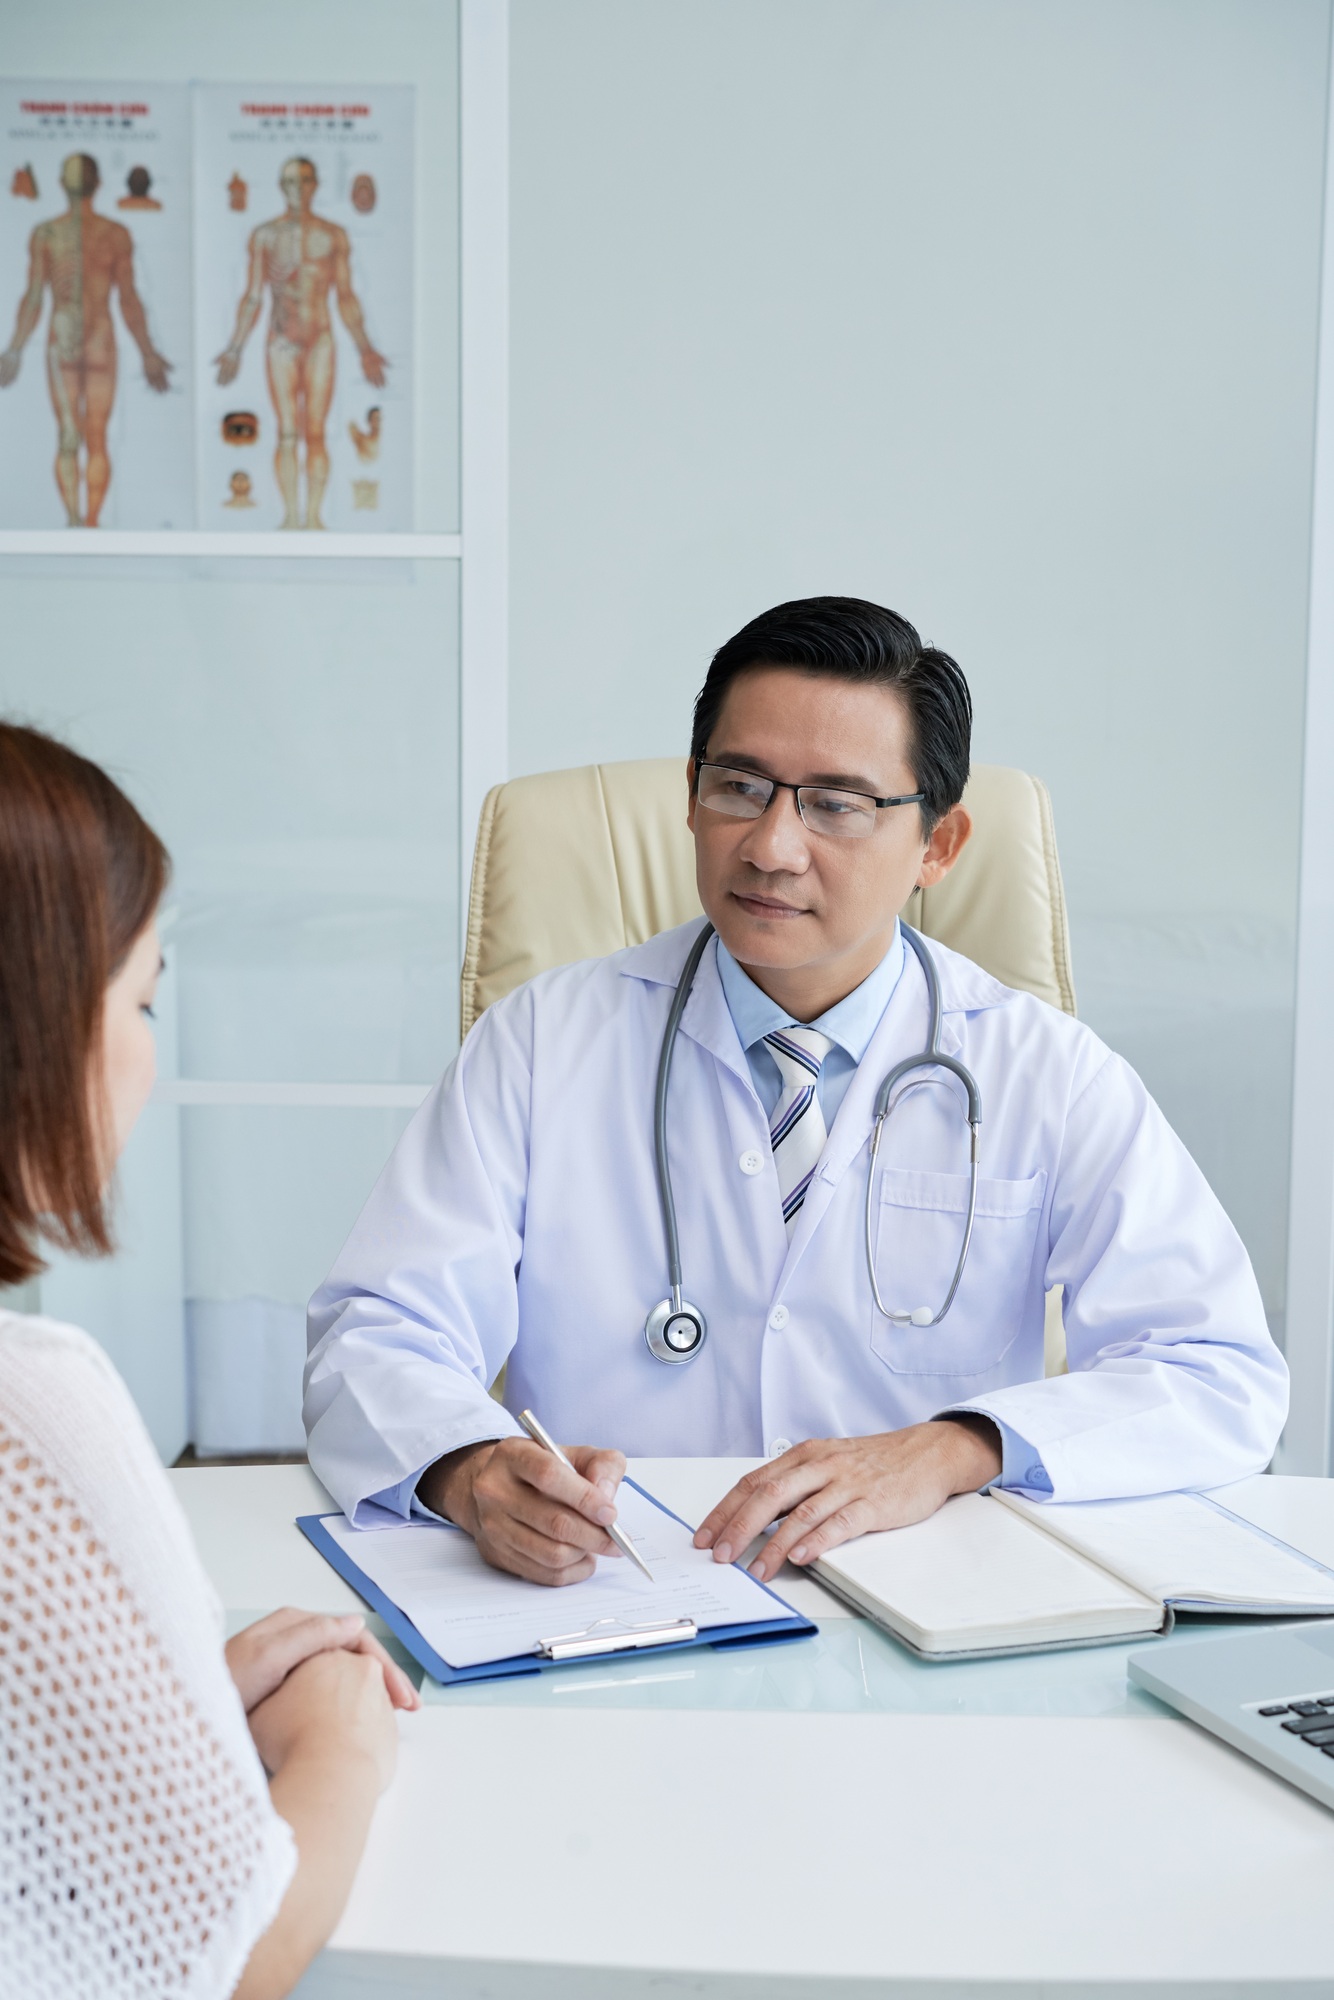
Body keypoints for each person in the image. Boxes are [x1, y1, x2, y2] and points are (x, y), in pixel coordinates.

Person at [305, 597, 1288, 1589]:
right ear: (689, 795)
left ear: (937, 847)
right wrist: (470, 1469)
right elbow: (378, 1329)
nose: (771, 845)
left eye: (836, 803)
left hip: (929, 1599)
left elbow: (1215, 1371)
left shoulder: (1046, 1073)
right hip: (615, 1591)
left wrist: (953, 1446)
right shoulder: (540, 1042)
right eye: (740, 785)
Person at [0, 723, 420, 1995]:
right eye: (139, 998)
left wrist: (169, 1682)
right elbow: (218, 1957)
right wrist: (339, 1745)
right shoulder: (30, 1409)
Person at [214, 156, 387, 531]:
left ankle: (314, 518)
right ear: (282, 186)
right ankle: (291, 517)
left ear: (315, 185)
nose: (298, 188)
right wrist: (235, 348)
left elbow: (345, 296)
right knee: (288, 432)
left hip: (320, 340)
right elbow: (254, 296)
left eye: (305, 180)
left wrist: (365, 348)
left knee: (316, 432)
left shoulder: (333, 235)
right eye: (291, 181)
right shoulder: (265, 235)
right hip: (281, 341)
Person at [0, 153, 172, 526]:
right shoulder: (59, 233)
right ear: (97, 184)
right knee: (80, 435)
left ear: (66, 183)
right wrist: (13, 349)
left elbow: (127, 297)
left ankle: (86, 522)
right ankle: (78, 522)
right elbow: (33, 296)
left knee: (85, 435)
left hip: (84, 339)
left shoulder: (100, 234)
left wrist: (147, 351)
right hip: (84, 340)